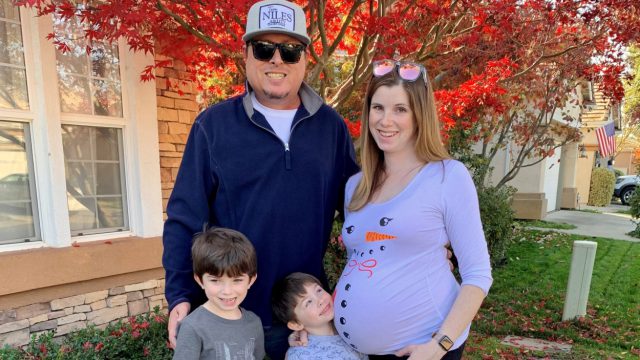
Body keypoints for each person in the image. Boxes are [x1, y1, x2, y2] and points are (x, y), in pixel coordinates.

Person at [162, 0, 359, 358]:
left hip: (308, 314)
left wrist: (416, 242)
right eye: (264, 48)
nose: (277, 60)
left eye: (290, 50)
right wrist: (179, 296)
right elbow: (183, 219)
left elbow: (360, 211)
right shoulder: (213, 127)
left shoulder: (331, 129)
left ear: (305, 58)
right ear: (247, 54)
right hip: (233, 314)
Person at [331, 60, 493, 360]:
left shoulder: (447, 176)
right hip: (356, 352)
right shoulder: (356, 185)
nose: (385, 120)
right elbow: (369, 261)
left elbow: (478, 274)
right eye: (377, 108)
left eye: (400, 110)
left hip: (421, 351)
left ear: (420, 115)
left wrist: (439, 345)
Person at [173, 227, 265, 360]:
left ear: (251, 280)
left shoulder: (254, 322)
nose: (227, 291)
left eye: (237, 280)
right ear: (200, 280)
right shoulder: (192, 327)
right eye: (215, 280)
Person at [271, 272, 368, 360]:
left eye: (318, 290)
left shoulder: (349, 322)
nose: (320, 300)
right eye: (308, 302)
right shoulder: (300, 356)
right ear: (296, 324)